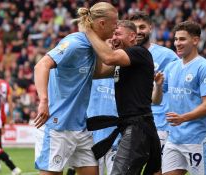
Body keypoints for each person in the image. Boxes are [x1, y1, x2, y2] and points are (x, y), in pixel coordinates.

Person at [33, 2, 118, 175]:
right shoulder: (74, 43)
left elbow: (96, 73)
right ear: (102, 23)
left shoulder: (95, 47)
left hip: (80, 127)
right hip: (57, 125)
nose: (116, 28)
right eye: (114, 23)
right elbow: (41, 66)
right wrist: (43, 100)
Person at [83, 20, 163, 175]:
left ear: (132, 36)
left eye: (117, 33)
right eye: (112, 34)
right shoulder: (123, 63)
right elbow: (96, 72)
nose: (114, 38)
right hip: (134, 127)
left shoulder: (138, 52)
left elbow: (108, 58)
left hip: (138, 128)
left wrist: (89, 31)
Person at [159, 21, 206, 175]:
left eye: (182, 39)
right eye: (176, 39)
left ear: (195, 40)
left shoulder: (205, 67)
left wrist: (183, 118)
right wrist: (158, 85)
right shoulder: (171, 67)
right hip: (174, 138)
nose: (177, 43)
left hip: (197, 138)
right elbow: (156, 100)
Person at [129, 11, 179, 153]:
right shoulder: (122, 54)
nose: (138, 31)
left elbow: (176, 85)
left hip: (159, 123)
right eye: (134, 28)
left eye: (142, 27)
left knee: (157, 169)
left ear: (150, 28)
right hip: (131, 122)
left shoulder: (167, 56)